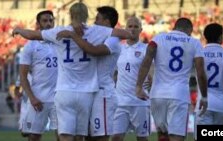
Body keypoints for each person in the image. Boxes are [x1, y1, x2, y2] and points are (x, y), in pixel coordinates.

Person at [13, 3, 133, 141]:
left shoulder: (59, 31)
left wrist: (19, 30)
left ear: (70, 15)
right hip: (87, 93)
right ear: (87, 15)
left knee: (64, 136)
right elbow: (126, 34)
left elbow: (33, 35)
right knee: (81, 136)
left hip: (64, 91)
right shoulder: (96, 31)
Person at [56, 6, 133, 141]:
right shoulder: (95, 35)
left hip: (103, 93)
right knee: (85, 136)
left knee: (100, 137)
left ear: (107, 23)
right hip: (90, 91)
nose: (94, 22)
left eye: (98, 19)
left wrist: (73, 35)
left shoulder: (113, 41)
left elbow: (93, 51)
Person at [136, 17, 208, 141]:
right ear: (190, 30)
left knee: (162, 135)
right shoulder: (194, 42)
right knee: (176, 137)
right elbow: (200, 73)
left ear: (175, 27)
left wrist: (138, 86)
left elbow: (146, 61)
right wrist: (204, 97)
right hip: (179, 95)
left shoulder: (158, 39)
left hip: (157, 95)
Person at [194, 23, 223, 140]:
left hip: (203, 104)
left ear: (205, 37)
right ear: (221, 37)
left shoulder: (198, 54)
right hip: (222, 106)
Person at [19, 10, 58, 141]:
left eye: (51, 20)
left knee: (63, 135)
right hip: (39, 98)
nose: (48, 23)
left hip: (59, 98)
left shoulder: (61, 43)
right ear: (38, 24)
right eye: (45, 21)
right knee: (34, 136)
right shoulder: (30, 46)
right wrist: (32, 97)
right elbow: (23, 76)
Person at [111, 16, 151, 141]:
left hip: (139, 102)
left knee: (142, 138)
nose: (132, 29)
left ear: (141, 30)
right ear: (125, 29)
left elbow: (153, 71)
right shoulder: (118, 48)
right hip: (121, 101)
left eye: (135, 26)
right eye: (130, 26)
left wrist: (152, 79)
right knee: (116, 138)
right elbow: (116, 72)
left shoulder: (146, 49)